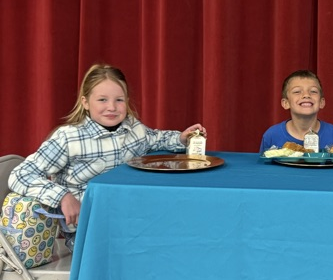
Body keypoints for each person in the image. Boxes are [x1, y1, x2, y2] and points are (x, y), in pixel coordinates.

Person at [9, 63, 205, 243]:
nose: (112, 107)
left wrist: (182, 138)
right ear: (85, 102)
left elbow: (156, 139)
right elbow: (20, 175)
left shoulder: (133, 129)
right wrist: (63, 196)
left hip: (129, 222)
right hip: (87, 231)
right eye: (102, 100)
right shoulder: (69, 138)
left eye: (119, 100)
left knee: (173, 237)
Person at [259, 70, 333, 152]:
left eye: (313, 91)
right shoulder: (271, 135)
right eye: (297, 91)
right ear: (285, 103)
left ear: (321, 102)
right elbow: (263, 169)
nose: (306, 95)